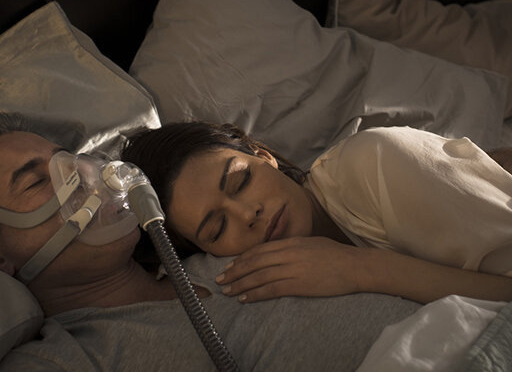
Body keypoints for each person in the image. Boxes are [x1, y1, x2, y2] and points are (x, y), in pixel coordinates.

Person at [0, 111, 424, 371]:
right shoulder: (72, 360)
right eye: (36, 181)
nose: (83, 176)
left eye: (67, 158)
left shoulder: (218, 249)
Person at [121, 121, 512, 305]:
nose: (248, 214)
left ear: (263, 156)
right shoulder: (254, 280)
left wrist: (363, 269)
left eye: (240, 181)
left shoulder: (373, 161)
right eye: (217, 228)